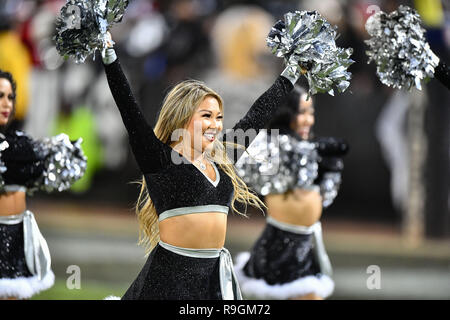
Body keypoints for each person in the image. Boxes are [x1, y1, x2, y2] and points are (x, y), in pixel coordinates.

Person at [100, 30, 300, 299]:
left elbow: (257, 115)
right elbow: (128, 108)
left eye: (219, 117)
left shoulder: (222, 159)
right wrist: (110, 56)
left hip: (212, 279)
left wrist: (293, 71)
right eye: (206, 115)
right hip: (168, 281)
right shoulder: (160, 160)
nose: (215, 125)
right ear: (183, 116)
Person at [234, 85, 348, 300]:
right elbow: (262, 177)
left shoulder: (308, 148)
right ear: (285, 113)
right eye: (302, 112)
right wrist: (313, 151)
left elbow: (324, 197)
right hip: (280, 244)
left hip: (306, 243)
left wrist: (332, 169)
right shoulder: (269, 144)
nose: (309, 120)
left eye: (311, 112)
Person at [0, 69, 86, 299]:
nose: (6, 103)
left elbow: (53, 166)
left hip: (17, 236)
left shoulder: (21, 145)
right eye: (0, 96)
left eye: (10, 97)